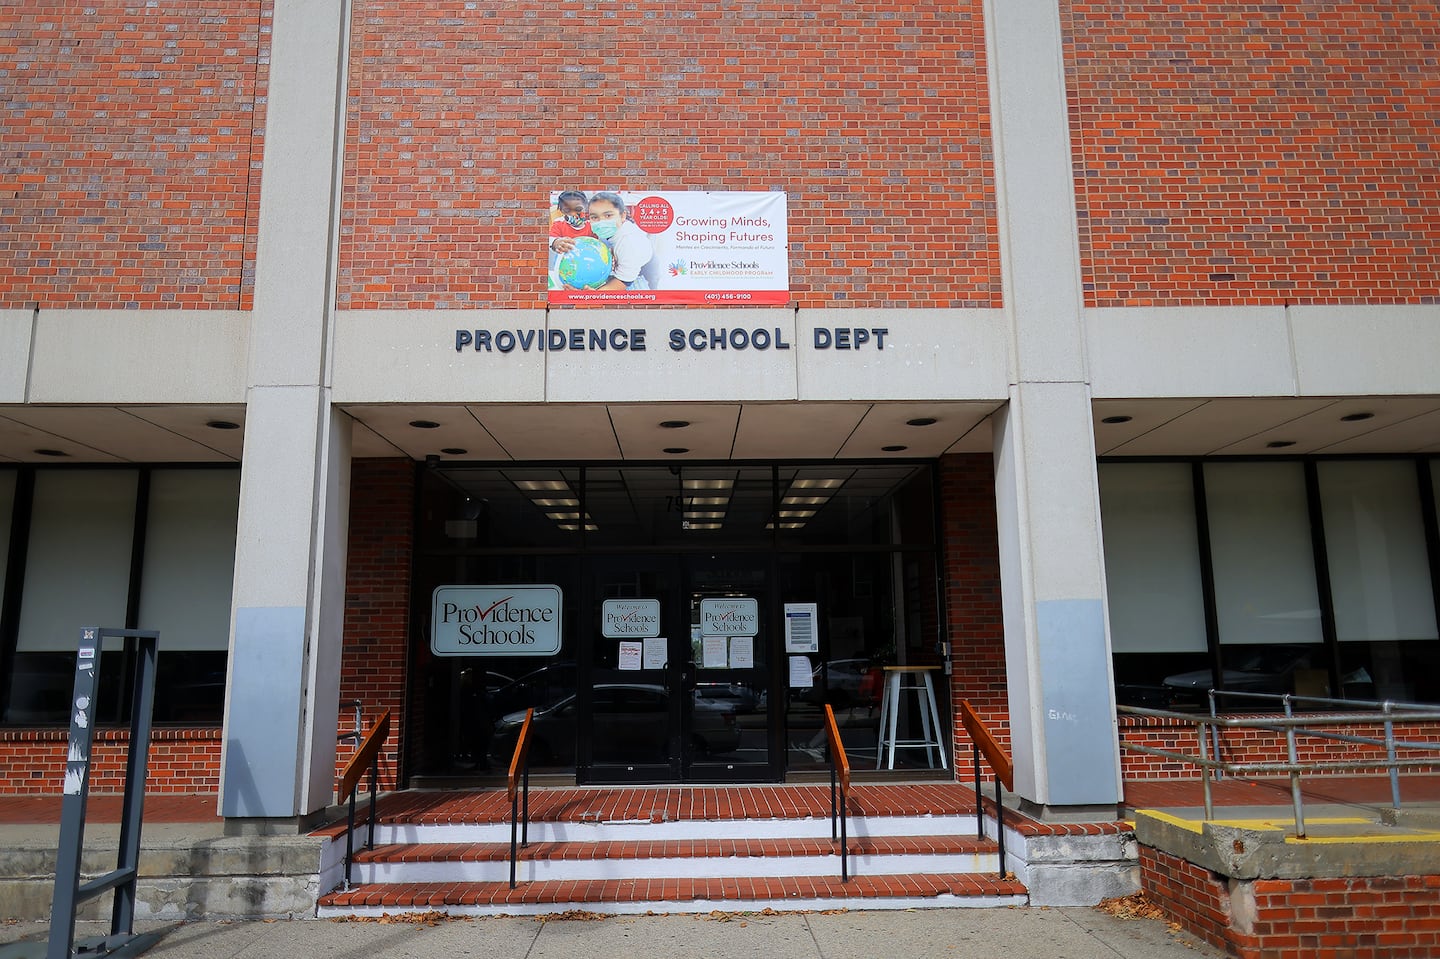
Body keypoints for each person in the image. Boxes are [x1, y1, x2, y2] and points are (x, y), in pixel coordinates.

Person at [554, 190, 653, 291]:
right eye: (594, 217)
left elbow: (624, 281)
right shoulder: (603, 231)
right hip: (610, 271)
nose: (601, 222)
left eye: (608, 215)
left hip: (633, 280)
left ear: (622, 216)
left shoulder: (629, 243)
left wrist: (595, 295)